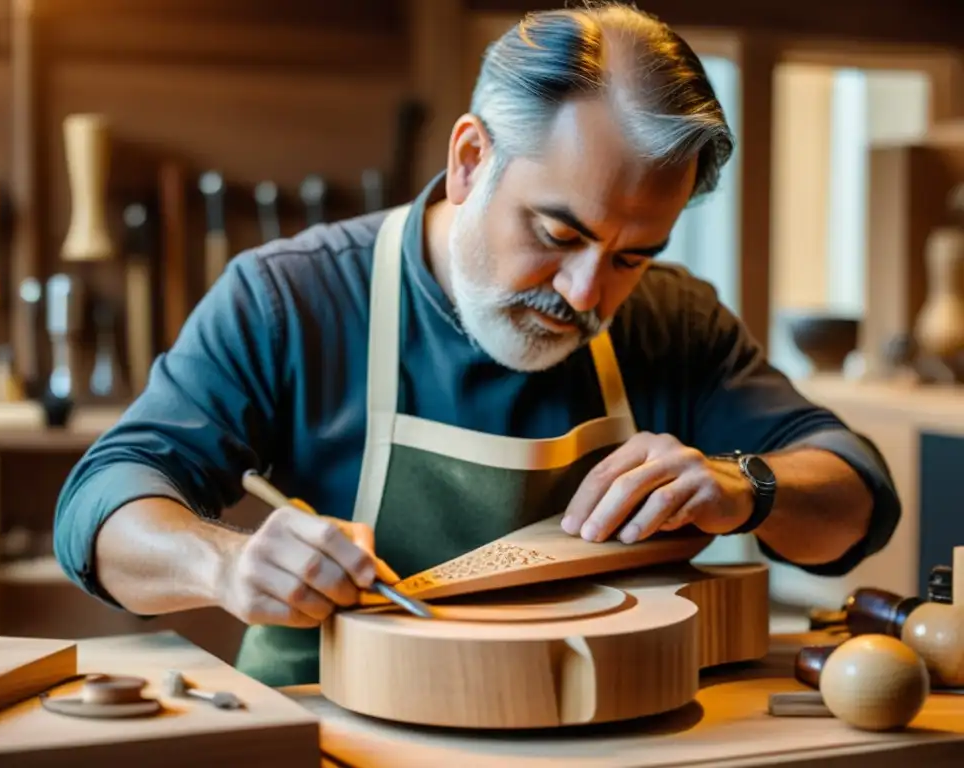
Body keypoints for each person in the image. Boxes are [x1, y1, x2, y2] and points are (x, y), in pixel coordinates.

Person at [53, 3, 900, 687]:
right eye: (557, 232)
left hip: (609, 736)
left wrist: (746, 485)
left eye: (632, 256)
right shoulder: (289, 298)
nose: (585, 293)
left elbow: (856, 495)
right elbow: (101, 504)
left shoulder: (673, 322)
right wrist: (223, 561)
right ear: (469, 160)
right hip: (335, 729)